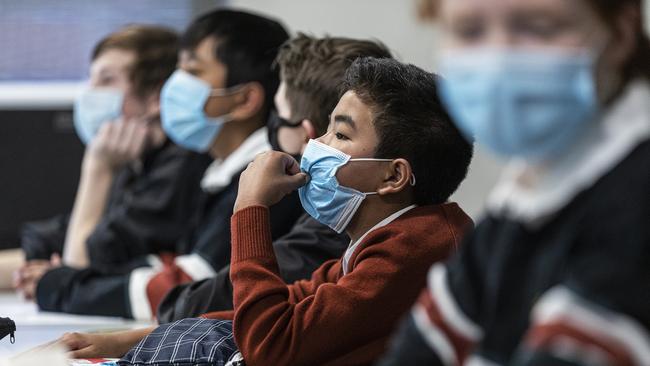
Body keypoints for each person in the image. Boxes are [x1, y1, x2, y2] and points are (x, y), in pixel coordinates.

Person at [56, 57, 475, 366]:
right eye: (326, 128)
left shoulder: (414, 248)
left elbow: (270, 347)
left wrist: (250, 207)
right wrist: (127, 341)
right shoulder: (393, 237)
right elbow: (294, 302)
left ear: (393, 177)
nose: (316, 145)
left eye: (341, 134)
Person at [378, 0, 650, 364]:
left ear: (621, 33)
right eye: (469, 31)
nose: (497, 59)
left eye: (540, 27)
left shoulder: (634, 204)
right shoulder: (527, 194)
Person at [32, 9, 302, 320]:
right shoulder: (213, 171)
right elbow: (167, 263)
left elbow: (191, 285)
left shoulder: (266, 179)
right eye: (179, 69)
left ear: (244, 100)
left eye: (193, 71)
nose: (175, 86)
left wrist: (61, 285)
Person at [157, 34, 392, 322]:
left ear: (306, 135)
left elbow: (251, 326)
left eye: (278, 116)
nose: (271, 128)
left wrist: (250, 203)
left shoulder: (335, 229)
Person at [6, 25, 211, 295]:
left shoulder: (182, 168)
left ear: (156, 98)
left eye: (106, 80)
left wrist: (97, 169)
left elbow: (75, 275)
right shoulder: (137, 164)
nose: (90, 94)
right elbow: (52, 240)